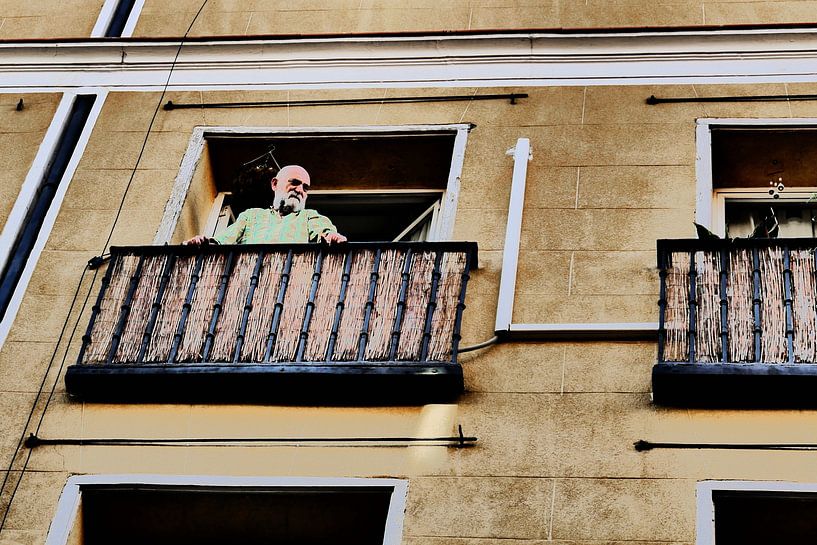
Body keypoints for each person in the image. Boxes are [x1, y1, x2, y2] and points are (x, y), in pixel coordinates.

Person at [184, 165, 347, 246]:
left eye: (305, 187)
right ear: (275, 184)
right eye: (295, 183)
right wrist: (205, 243)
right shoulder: (252, 215)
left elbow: (324, 232)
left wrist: (331, 237)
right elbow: (224, 240)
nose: (299, 190)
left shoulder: (308, 216)